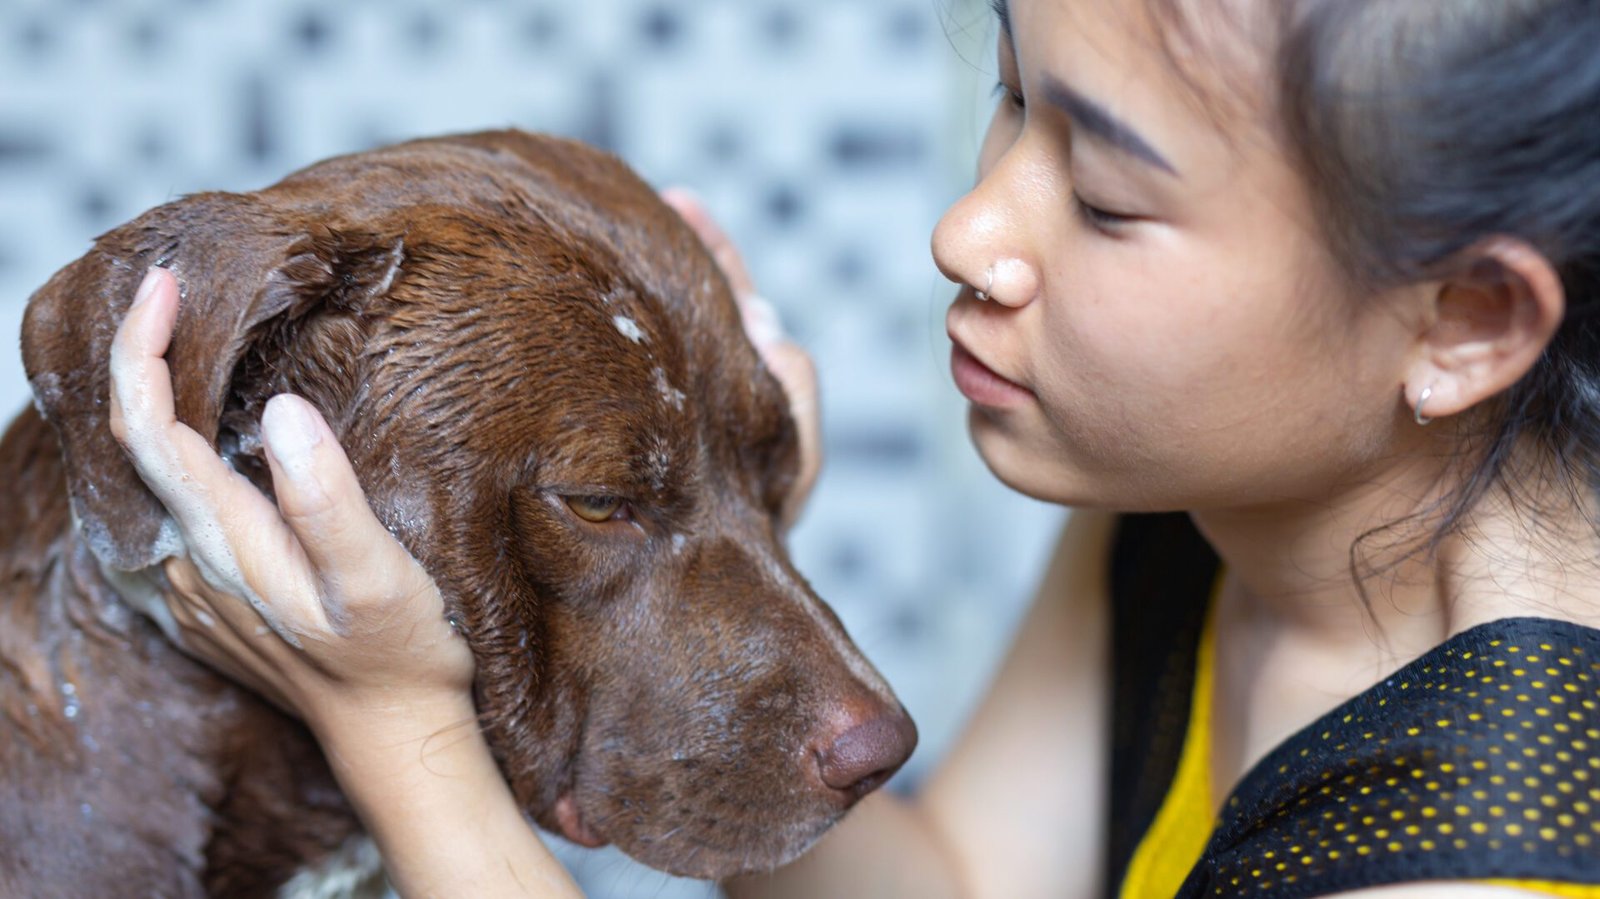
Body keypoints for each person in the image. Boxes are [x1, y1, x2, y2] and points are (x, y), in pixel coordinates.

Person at [102, 0, 1600, 896]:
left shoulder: (1483, 853)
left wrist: (402, 730)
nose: (971, 232)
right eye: (1013, 98)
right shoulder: (1233, 498)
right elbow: (958, 889)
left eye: (1111, 203)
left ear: (1463, 320)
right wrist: (727, 538)